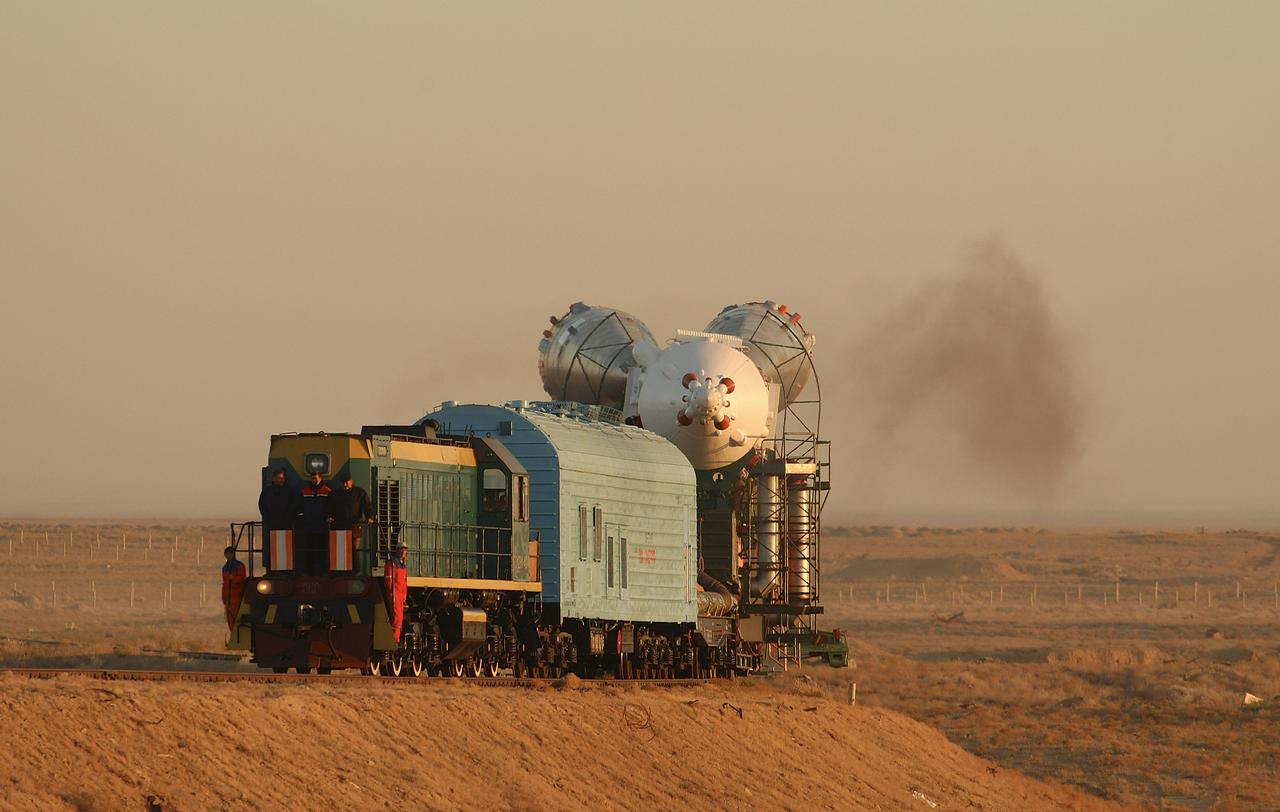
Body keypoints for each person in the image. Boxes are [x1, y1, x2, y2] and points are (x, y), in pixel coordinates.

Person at [258, 468, 301, 570]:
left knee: (286, 547)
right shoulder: (267, 491)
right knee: (271, 547)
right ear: (274, 478)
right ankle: (272, 568)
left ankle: (287, 569)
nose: (282, 480)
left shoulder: (289, 491)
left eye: (283, 478)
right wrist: (267, 517)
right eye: (279, 478)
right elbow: (262, 505)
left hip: (286, 524)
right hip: (272, 524)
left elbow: (295, 505)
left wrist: (289, 517)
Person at [330, 471, 374, 561]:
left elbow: (367, 506)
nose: (345, 484)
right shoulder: (335, 494)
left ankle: (354, 571)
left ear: (351, 481)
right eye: (343, 482)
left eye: (347, 482)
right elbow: (330, 507)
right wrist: (329, 516)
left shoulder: (360, 492)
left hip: (355, 527)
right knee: (340, 550)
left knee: (354, 549)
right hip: (340, 526)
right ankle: (341, 572)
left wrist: (369, 517)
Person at [299, 471, 333, 575]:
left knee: (323, 549)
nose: (314, 480)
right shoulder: (305, 491)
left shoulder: (327, 491)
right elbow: (300, 506)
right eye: (312, 479)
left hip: (322, 526)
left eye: (316, 479)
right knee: (309, 549)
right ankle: (309, 571)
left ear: (320, 479)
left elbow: (331, 506)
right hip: (308, 526)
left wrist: (329, 517)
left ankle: (323, 571)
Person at [383, 542, 408, 643]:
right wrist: (392, 594)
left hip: (401, 595)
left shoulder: (402, 565)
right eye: (401, 549)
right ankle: (393, 640)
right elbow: (389, 580)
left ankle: (395, 639)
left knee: (400, 618)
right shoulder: (391, 564)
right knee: (397, 617)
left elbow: (404, 582)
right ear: (397, 550)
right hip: (395, 594)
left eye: (405, 549)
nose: (403, 551)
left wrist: (404, 596)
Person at [221, 546, 247, 631]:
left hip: (237, 595)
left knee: (236, 615)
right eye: (226, 553)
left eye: (229, 553)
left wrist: (233, 578)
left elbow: (241, 578)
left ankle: (237, 633)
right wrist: (224, 597)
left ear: (233, 554)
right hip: (228, 597)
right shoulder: (225, 567)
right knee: (229, 617)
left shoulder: (239, 566)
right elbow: (225, 583)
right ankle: (233, 633)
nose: (228, 555)